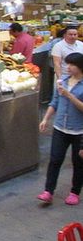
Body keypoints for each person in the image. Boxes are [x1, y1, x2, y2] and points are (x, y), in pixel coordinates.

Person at [37, 52, 83, 205]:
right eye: (67, 63)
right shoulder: (62, 81)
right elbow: (54, 102)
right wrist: (45, 119)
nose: (68, 67)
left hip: (79, 131)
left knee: (78, 163)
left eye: (71, 64)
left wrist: (69, 96)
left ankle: (75, 192)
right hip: (60, 128)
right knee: (55, 159)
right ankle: (48, 191)